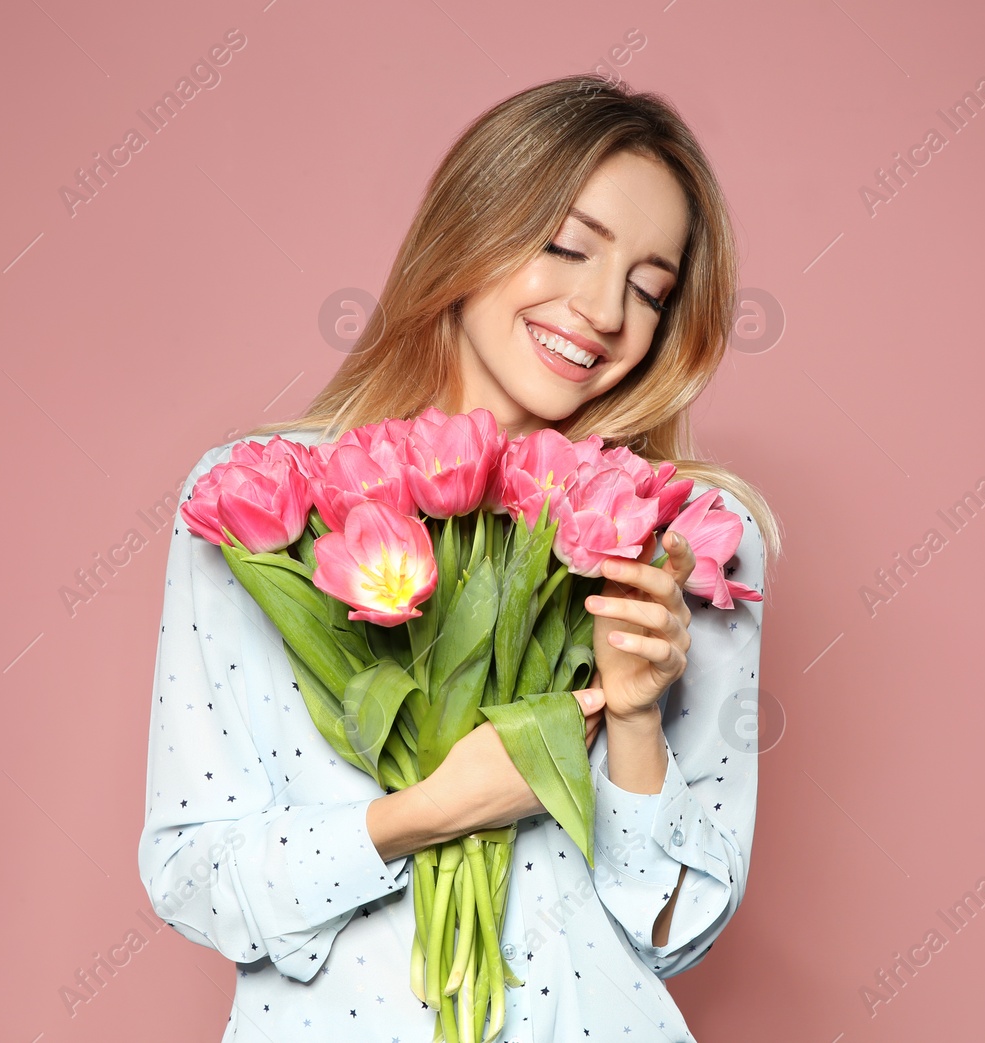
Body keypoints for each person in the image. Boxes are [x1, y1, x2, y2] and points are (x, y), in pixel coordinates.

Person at [137, 73, 783, 1043]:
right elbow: (195, 876)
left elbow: (677, 925)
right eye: (567, 245)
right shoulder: (257, 497)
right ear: (469, 229)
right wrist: (425, 812)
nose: (604, 310)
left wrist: (639, 720)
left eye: (649, 288)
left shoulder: (676, 531)